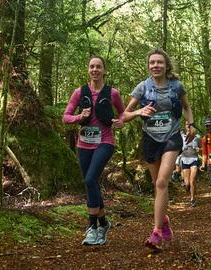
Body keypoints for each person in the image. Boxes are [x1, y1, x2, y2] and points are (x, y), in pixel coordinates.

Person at [123, 48, 195, 251]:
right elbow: (124, 115)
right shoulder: (142, 87)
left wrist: (191, 124)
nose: (156, 65)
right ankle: (164, 221)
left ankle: (156, 233)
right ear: (148, 66)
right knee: (157, 186)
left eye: (159, 62)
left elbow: (187, 108)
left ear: (166, 66)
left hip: (171, 137)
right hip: (150, 139)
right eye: (152, 63)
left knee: (163, 181)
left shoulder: (176, 86)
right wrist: (139, 111)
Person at [62, 56, 125, 246]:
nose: (95, 69)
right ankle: (104, 223)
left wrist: (120, 122)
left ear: (105, 71)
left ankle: (92, 227)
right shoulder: (79, 92)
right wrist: (79, 116)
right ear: (88, 70)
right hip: (83, 145)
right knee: (92, 183)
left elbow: (122, 113)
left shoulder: (112, 93)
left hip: (105, 142)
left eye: (98, 67)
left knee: (90, 179)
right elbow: (65, 117)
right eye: (92, 67)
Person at [180, 126, 201, 207]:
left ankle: (192, 199)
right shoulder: (182, 136)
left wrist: (199, 149)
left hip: (194, 159)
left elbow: (202, 148)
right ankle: (191, 189)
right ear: (185, 127)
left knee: (192, 180)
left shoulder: (197, 137)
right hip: (184, 159)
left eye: (190, 125)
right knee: (187, 183)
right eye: (187, 125)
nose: (188, 126)